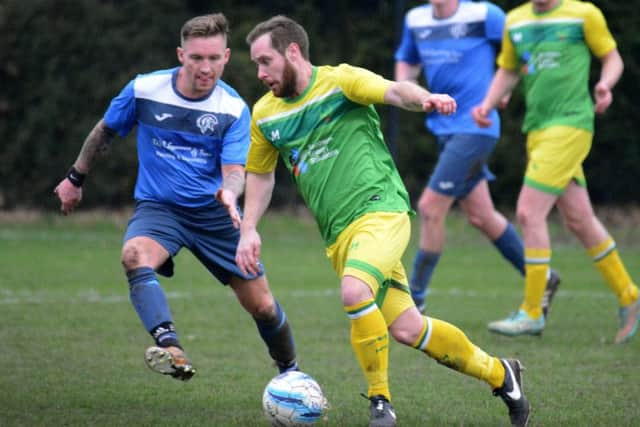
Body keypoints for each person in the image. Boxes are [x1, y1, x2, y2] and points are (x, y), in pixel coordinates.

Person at [234, 15, 530, 427]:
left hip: (382, 211)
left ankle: (381, 402)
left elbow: (394, 91)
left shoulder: (341, 81)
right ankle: (502, 373)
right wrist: (248, 230)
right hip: (340, 237)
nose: (261, 73)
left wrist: (424, 98)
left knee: (355, 291)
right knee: (408, 328)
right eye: (256, 65)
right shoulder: (265, 115)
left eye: (265, 61)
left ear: (293, 52)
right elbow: (261, 175)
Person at [53, 13, 298, 381]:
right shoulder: (145, 90)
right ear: (181, 54)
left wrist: (230, 195)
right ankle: (170, 346)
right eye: (197, 58)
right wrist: (75, 177)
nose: (206, 67)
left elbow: (235, 173)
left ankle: (290, 373)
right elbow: (105, 131)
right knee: (134, 255)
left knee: (262, 306)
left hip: (214, 214)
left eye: (214, 58)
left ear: (227, 57)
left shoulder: (232, 109)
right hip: (160, 209)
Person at [472, 0, 639, 343]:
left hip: (572, 126)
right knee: (579, 219)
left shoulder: (583, 15)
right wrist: (488, 103)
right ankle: (629, 295)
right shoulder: (516, 21)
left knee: (528, 212)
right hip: (537, 130)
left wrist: (606, 84)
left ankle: (532, 312)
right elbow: (509, 68)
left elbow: (612, 57)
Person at [394, 0, 560, 315]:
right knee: (481, 216)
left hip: (475, 127)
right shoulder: (415, 19)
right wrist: (411, 91)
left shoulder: (485, 15)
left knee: (430, 208)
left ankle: (414, 300)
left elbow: (519, 55)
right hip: (444, 129)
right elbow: (406, 63)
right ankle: (543, 278)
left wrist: (504, 88)